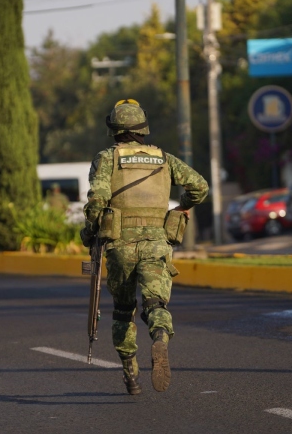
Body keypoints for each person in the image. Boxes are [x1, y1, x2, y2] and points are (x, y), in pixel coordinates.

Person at [80, 99, 209, 395]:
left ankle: (132, 376)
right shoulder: (165, 158)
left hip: (120, 246)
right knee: (155, 304)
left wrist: (89, 232)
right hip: (156, 243)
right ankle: (160, 337)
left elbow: (97, 201)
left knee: (124, 311)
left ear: (113, 128)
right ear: (143, 127)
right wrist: (181, 208)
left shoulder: (107, 158)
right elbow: (199, 186)